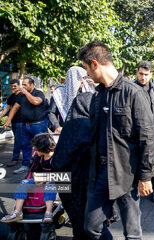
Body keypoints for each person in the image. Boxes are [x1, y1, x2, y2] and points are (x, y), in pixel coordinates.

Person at [77, 40, 154, 239]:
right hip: (100, 174)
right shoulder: (97, 95)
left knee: (132, 233)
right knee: (92, 227)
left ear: (95, 64)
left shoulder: (133, 93)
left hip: (127, 174)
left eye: (86, 68)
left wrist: (145, 176)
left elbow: (148, 137)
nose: (86, 74)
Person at [51, 67, 95, 239]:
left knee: (78, 215)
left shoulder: (89, 94)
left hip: (68, 174)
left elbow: (57, 167)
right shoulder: (60, 94)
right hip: (86, 180)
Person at [1, 133, 57, 223]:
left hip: (54, 181)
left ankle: (48, 212)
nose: (34, 149)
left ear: (42, 148)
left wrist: (45, 179)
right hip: (39, 179)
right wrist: (36, 178)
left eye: (36, 147)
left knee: (50, 185)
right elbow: (33, 170)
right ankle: (17, 211)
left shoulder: (56, 158)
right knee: (24, 183)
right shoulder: (39, 157)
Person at [4, 77, 48, 174]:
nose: (23, 87)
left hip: (37, 125)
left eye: (25, 85)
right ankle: (25, 166)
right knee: (25, 146)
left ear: (32, 85)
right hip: (24, 125)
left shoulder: (38, 93)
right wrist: (9, 119)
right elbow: (15, 107)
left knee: (40, 145)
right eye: (22, 85)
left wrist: (26, 93)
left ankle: (42, 166)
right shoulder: (21, 96)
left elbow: (36, 102)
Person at [135, 61, 154, 202]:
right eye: (141, 74)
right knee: (135, 163)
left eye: (146, 74)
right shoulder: (131, 89)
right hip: (136, 136)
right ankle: (136, 190)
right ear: (137, 73)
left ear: (151, 75)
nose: (143, 77)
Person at [48, 66, 94, 133]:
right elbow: (51, 112)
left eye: (84, 78)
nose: (82, 81)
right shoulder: (59, 93)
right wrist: (56, 126)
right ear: (72, 78)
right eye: (80, 78)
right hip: (66, 130)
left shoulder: (87, 90)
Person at [0, 79, 23, 167]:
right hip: (14, 121)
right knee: (19, 140)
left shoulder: (22, 95)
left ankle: (15, 159)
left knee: (17, 140)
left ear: (19, 85)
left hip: (21, 121)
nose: (13, 88)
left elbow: (15, 108)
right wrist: (0, 116)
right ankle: (22, 155)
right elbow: (8, 107)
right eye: (12, 86)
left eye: (15, 86)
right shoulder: (11, 96)